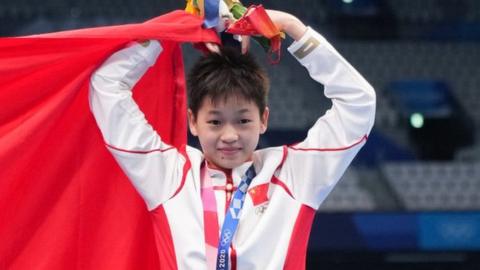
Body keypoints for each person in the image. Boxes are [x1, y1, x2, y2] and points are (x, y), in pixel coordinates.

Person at [89, 8, 376, 270]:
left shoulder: (293, 173)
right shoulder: (169, 174)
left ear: (263, 120)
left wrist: (293, 27)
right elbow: (106, 87)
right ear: (193, 121)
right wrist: (169, 31)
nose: (229, 135)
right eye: (215, 122)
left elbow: (359, 103)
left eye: (243, 120)